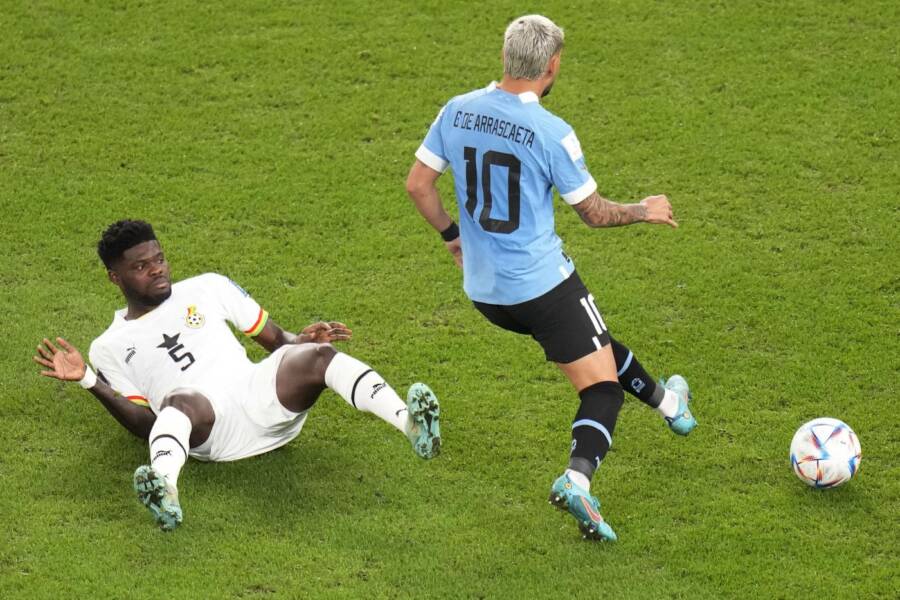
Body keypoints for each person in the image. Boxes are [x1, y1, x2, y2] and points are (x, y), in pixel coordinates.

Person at [405, 14, 695, 542]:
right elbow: (594, 213)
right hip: (542, 287)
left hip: (485, 293)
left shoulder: (456, 109)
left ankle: (671, 406)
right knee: (602, 390)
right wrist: (644, 209)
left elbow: (418, 185)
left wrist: (452, 236)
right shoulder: (551, 132)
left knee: (595, 342)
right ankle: (576, 481)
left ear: (505, 56)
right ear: (553, 65)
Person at [33, 219, 441, 531]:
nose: (157, 270)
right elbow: (145, 424)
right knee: (179, 401)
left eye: (159, 259)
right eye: (141, 266)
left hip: (260, 398)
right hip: (211, 431)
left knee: (318, 356)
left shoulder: (208, 287)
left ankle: (410, 424)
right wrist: (89, 380)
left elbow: (277, 340)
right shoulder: (108, 346)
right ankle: (166, 492)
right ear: (115, 277)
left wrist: (302, 340)